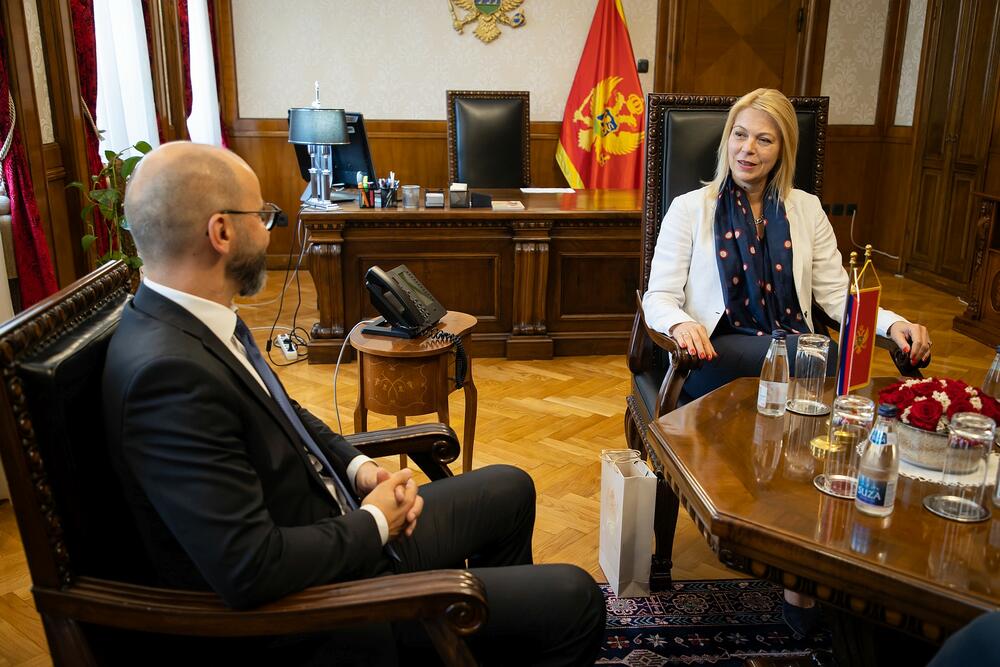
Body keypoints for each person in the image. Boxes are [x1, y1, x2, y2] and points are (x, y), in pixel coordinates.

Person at [103, 141, 605, 666]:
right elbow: (250, 570)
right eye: (263, 215)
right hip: (325, 610)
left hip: (340, 533)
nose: (270, 227)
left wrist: (358, 467)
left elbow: (285, 412)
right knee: (576, 599)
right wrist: (374, 524)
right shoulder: (168, 377)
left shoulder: (194, 321)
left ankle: (482, 641)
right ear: (222, 232)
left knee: (510, 488)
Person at [642, 88, 932, 401]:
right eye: (740, 135)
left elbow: (835, 295)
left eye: (764, 140)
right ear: (728, 139)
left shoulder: (807, 208)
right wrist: (680, 324)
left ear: (783, 150)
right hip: (715, 352)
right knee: (822, 356)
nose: (747, 149)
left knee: (816, 356)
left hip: (795, 344)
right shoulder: (689, 208)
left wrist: (892, 324)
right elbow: (658, 296)